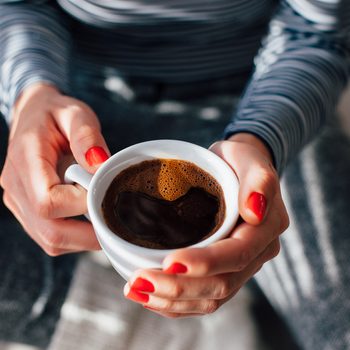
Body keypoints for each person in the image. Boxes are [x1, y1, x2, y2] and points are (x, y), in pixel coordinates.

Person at [0, 0, 349, 349]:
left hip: (263, 102)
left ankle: (121, 315)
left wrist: (263, 136)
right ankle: (154, 322)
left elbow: (316, 30)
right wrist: (32, 93)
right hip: (76, 110)